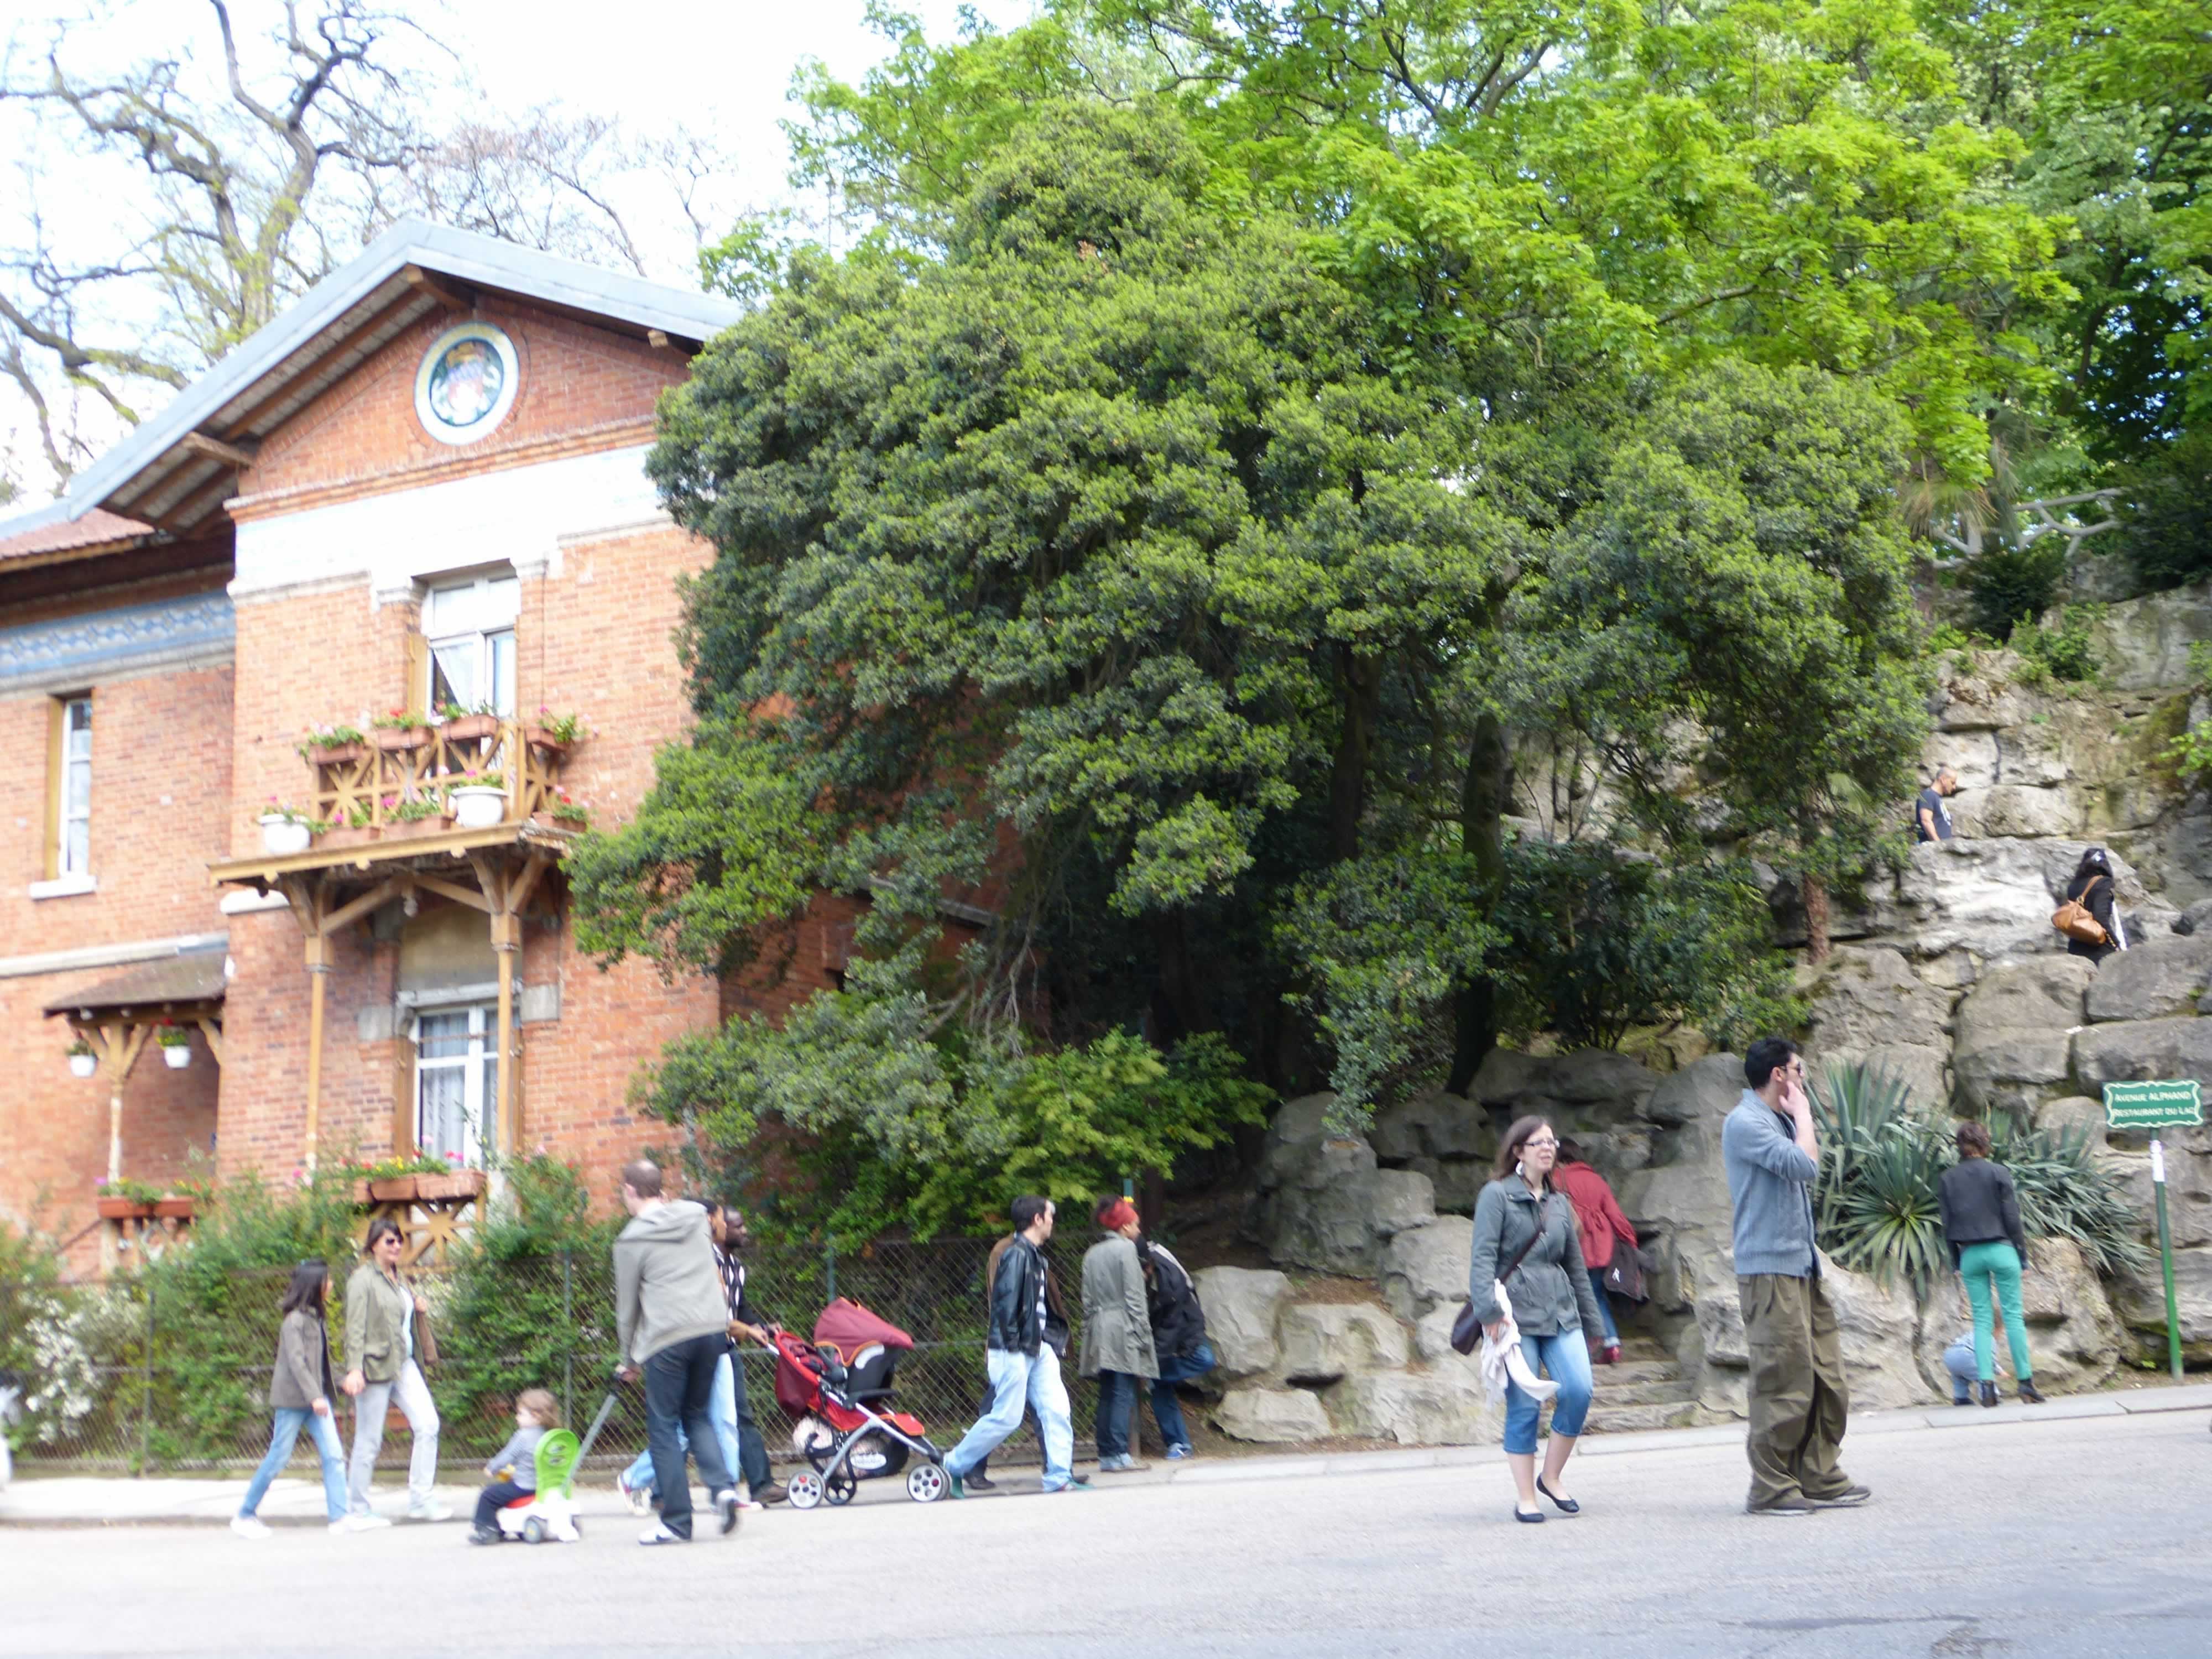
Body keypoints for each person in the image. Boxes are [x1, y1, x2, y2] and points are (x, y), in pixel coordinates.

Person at [1724, 1037, 1869, 1517]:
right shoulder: (1744, 1123)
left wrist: (1797, 1118)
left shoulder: (1777, 1121)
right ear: (1779, 1076)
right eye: (1798, 1069)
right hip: (1767, 1271)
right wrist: (1805, 1115)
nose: (1803, 1077)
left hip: (1802, 1266)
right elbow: (1803, 1165)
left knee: (1828, 1379)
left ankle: (1817, 1474)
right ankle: (1770, 1487)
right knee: (1782, 1381)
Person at [1467, 1116, 1604, 1524]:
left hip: (1562, 1312)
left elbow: (1576, 1268)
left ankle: (1552, 1476)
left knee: (1579, 1389)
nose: (1548, 1148)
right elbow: (1482, 1259)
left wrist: (1594, 1323)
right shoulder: (1496, 1196)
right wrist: (1488, 1313)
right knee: (1525, 1404)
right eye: (1538, 1142)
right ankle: (1526, 1496)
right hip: (1515, 1317)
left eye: (1552, 1141)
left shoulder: (1560, 1203)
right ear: (1518, 1151)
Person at [616, 1201, 784, 1514]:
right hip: (696, 1344)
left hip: (718, 1348)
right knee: (687, 1426)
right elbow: (715, 1312)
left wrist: (758, 1326)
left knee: (722, 1422)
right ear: (711, 1222)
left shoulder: (734, 1266)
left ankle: (724, 1493)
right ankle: (642, 1481)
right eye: (729, 1221)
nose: (740, 1229)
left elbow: (737, 1308)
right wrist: (746, 1331)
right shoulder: (701, 1257)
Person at [613, 1159, 740, 1545]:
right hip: (712, 1331)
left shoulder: (630, 1240)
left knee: (664, 1427)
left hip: (668, 1337)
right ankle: (723, 1489)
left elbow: (628, 1308)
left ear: (630, 1191)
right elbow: (688, 1208)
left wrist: (628, 1359)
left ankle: (676, 1522)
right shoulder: (695, 1216)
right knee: (697, 1415)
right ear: (661, 1189)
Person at [942, 1196, 1081, 1498]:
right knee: (1006, 1418)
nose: (1052, 1222)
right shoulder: (1017, 1255)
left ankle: (1058, 1476)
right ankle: (953, 1465)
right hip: (1015, 1349)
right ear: (1037, 1219)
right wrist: (1017, 1347)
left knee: (1056, 1410)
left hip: (1037, 1347)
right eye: (1049, 1216)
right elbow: (1004, 1308)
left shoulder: (1033, 1255)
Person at [233, 1260, 364, 1537]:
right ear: (315, 1286)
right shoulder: (294, 1321)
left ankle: (339, 1518)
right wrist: (315, 1397)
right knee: (278, 1458)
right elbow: (297, 1363)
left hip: (316, 1401)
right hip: (294, 1402)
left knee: (334, 1456)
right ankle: (245, 1515)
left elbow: (321, 1365)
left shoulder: (316, 1319)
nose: (331, 1285)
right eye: (327, 1280)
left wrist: (343, 1380)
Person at [342, 1217, 446, 1523]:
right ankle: (358, 1510)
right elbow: (355, 1328)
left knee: (428, 1425)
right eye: (390, 1241)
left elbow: (401, 1318)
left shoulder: (399, 1278)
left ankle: (421, 1500)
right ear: (374, 1244)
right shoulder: (363, 1280)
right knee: (369, 1440)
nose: (397, 1246)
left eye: (400, 1240)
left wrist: (418, 1305)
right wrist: (354, 1369)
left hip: (404, 1363)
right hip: (374, 1367)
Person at [1939, 1121, 2046, 1407]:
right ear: (1986, 1144)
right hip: (2002, 1250)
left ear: (1960, 1147)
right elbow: (2012, 1218)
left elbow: (1946, 1224)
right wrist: (2022, 1255)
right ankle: (2026, 1384)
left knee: (1982, 1322)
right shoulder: (1999, 1173)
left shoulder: (1948, 1178)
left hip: (1970, 1255)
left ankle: (1986, 1388)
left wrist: (1956, 1260)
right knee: (2013, 1318)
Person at [1081, 1198, 1160, 1473]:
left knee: (1107, 1393)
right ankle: (1119, 1456)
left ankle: (1106, 1454)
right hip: (1123, 1327)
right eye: (1136, 1224)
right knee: (1123, 1392)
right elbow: (1135, 1297)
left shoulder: (1092, 1253)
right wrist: (1142, 1334)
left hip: (1099, 1328)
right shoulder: (1126, 1250)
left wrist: (1088, 1334)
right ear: (1125, 1226)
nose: (1138, 1229)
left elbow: (1087, 1302)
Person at [1552, 1140, 1635, 1364]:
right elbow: (1615, 1215)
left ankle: (1587, 1345)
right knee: (1597, 1295)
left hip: (1576, 1247)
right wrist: (1630, 1241)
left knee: (1576, 1296)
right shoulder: (1597, 1180)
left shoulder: (1556, 1179)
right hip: (1603, 1247)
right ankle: (1612, 1343)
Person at [1138, 1227, 1213, 1460]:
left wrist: (1151, 1366)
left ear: (1149, 1267)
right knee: (1160, 1386)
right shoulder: (1143, 1277)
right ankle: (1178, 1444)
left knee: (1205, 1359)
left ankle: (1154, 1376)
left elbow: (1172, 1327)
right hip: (1161, 1337)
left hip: (1185, 1329)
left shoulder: (1168, 1281)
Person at [471, 1388, 559, 1544]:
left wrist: (492, 1468)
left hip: (524, 1486)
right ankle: (515, 1523)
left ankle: (489, 1530)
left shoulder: (523, 1436)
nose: (516, 1417)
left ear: (536, 1417)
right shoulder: (550, 1436)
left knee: (488, 1496)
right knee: (503, 1489)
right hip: (545, 1486)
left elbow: (508, 1455)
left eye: (521, 1414)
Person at [2062, 847, 2128, 963]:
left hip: (2076, 947)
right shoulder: (2103, 882)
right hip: (2098, 947)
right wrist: (2115, 943)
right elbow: (2100, 916)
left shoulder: (2074, 885)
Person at [1914, 767, 1959, 842]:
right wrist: (1938, 845)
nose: (1954, 787)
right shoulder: (1928, 795)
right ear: (1943, 780)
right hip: (1933, 850)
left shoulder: (1937, 798)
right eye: (1952, 783)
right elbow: (1926, 821)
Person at [1942, 1328, 1979, 1407]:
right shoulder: (1987, 1337)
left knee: (1959, 1378)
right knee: (1983, 1375)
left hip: (1949, 1354)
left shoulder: (1969, 1334)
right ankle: (1990, 1395)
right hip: (1965, 1355)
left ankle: (1960, 1398)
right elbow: (1989, 1359)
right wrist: (1999, 1370)